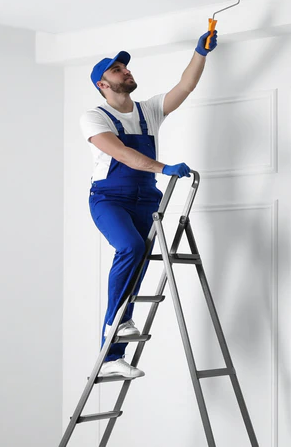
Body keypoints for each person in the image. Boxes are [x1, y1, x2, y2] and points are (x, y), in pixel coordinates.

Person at [78, 30, 218, 379]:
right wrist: (163, 168)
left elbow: (184, 87)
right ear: (103, 85)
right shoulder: (94, 117)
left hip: (146, 198)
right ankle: (116, 320)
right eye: (116, 70)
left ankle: (111, 358)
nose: (125, 71)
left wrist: (200, 52)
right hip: (109, 198)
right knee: (130, 246)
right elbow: (122, 153)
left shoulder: (148, 111)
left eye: (125, 67)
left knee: (138, 263)